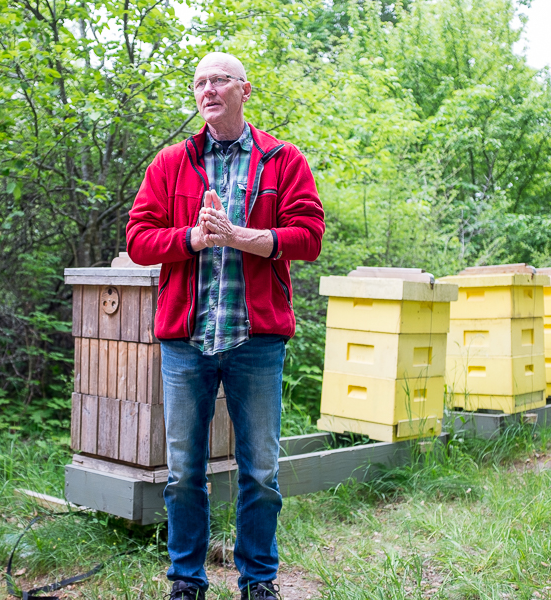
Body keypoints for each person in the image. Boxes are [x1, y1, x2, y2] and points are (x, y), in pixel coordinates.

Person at [125, 52, 325, 600]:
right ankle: (187, 581)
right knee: (183, 472)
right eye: (199, 83)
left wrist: (239, 236)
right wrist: (192, 237)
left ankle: (258, 582)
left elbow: (308, 236)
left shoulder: (283, 160)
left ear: (245, 90)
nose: (208, 90)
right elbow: (139, 241)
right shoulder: (170, 164)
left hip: (256, 340)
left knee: (260, 471)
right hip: (186, 343)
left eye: (219, 80)